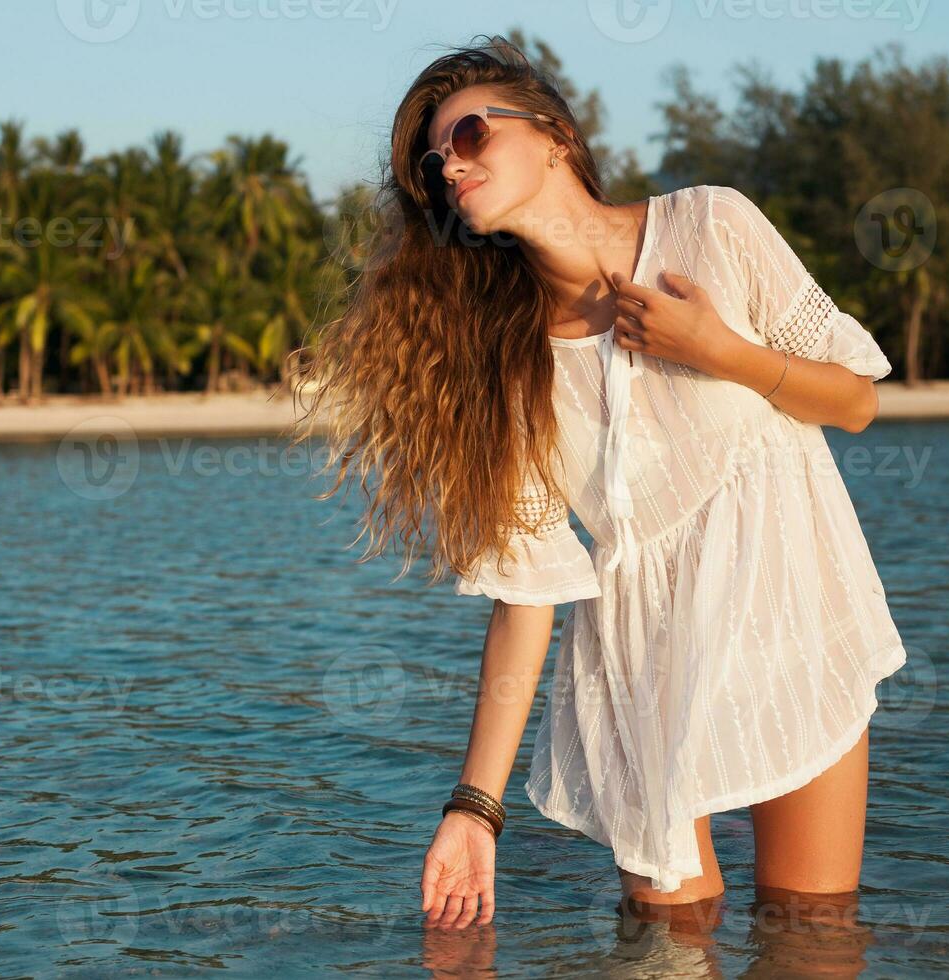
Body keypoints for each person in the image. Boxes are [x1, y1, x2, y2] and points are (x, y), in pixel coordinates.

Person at [291, 36, 908, 931]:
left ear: (551, 134)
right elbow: (526, 595)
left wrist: (718, 351)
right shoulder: (503, 363)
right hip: (639, 667)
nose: (450, 163)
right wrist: (474, 808)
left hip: (791, 618)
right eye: (434, 162)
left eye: (468, 134)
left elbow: (853, 400)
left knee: (813, 938)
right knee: (668, 944)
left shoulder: (714, 227)